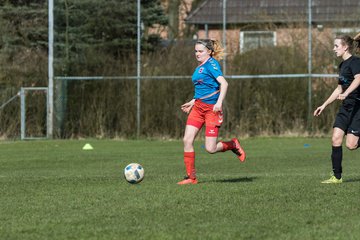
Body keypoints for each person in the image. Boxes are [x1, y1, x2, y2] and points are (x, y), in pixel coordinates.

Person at [177, 39, 246, 185]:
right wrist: (192, 101)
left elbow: (224, 83)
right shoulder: (199, 67)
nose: (197, 54)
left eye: (200, 51)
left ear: (209, 51)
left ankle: (233, 145)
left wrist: (219, 103)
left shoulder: (212, 64)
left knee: (211, 148)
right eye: (196, 51)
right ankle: (191, 178)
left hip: (211, 110)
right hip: (198, 108)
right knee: (187, 140)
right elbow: (203, 89)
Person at [314, 33, 360, 184]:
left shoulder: (355, 62)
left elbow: (359, 79)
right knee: (335, 138)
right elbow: (339, 88)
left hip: (357, 107)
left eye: (336, 46)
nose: (333, 49)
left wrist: (347, 93)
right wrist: (324, 105)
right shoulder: (342, 65)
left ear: (345, 47)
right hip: (346, 107)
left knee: (351, 145)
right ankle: (337, 177)